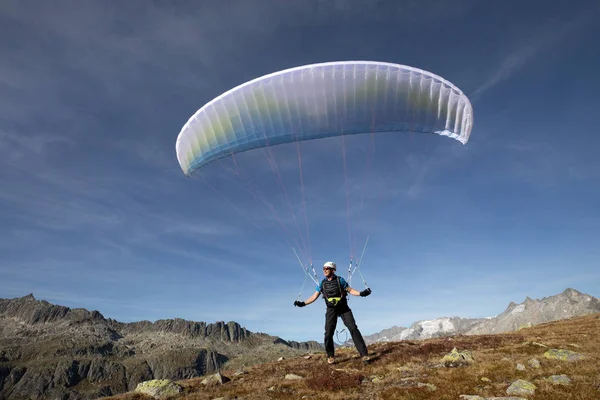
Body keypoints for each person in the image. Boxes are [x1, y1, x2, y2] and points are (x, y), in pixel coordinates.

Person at [294, 261, 372, 364]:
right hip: (331, 309)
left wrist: (362, 293)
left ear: (332, 270)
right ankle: (330, 356)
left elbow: (351, 290)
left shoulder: (340, 280)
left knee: (353, 328)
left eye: (327, 268)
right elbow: (314, 296)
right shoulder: (322, 283)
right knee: (328, 333)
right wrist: (303, 303)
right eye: (324, 268)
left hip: (343, 308)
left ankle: (364, 355)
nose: (324, 270)